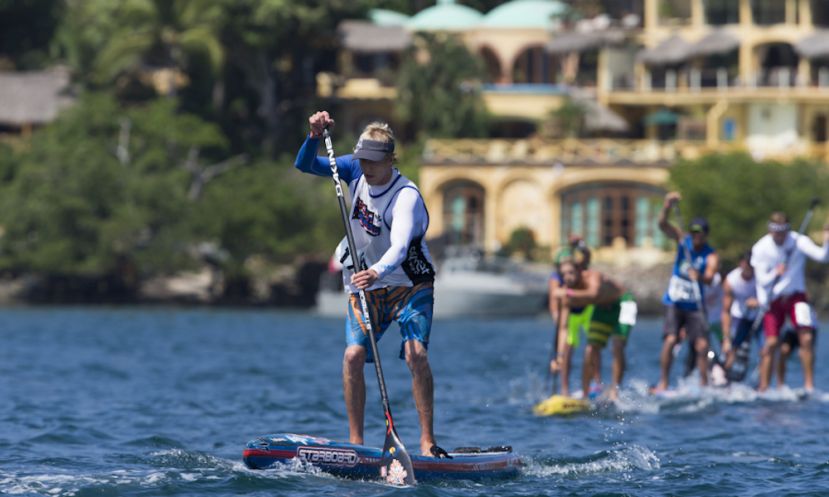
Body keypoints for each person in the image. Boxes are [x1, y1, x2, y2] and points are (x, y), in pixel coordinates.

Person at [294, 110, 448, 458]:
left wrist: (378, 271)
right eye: (362, 159)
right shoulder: (351, 168)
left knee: (416, 355)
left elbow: (400, 245)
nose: (366, 167)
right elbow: (305, 164)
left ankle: (427, 441)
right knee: (352, 356)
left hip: (410, 283)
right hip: (366, 283)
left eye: (375, 162)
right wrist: (314, 135)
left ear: (391, 160)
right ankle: (357, 444)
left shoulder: (406, 196)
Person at [750, 212, 829, 392]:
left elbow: (824, 257)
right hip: (773, 300)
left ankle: (809, 387)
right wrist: (776, 273)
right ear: (770, 230)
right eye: (776, 232)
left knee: (806, 338)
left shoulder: (798, 241)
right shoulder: (761, 248)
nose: (779, 236)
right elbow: (761, 281)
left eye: (783, 232)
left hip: (796, 297)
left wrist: (827, 240)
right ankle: (765, 387)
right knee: (771, 343)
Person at [654, 192, 720, 392]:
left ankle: (703, 384)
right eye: (692, 231)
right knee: (671, 339)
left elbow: (710, 277)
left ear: (705, 234)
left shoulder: (711, 254)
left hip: (694, 305)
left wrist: (698, 276)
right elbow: (663, 225)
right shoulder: (684, 242)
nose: (695, 235)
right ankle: (663, 382)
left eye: (699, 233)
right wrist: (666, 206)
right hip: (674, 301)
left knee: (701, 345)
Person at [551, 254, 637, 401]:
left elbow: (593, 293)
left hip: (624, 303)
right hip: (602, 309)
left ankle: (615, 392)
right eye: (563, 274)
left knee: (617, 346)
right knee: (590, 349)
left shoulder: (593, 276)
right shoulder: (567, 295)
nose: (567, 277)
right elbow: (564, 328)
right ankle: (585, 397)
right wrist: (559, 356)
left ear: (578, 270)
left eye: (571, 272)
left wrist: (567, 292)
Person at [720, 250, 759, 382]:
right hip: (740, 317)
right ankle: (724, 380)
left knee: (766, 349)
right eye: (748, 264)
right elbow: (726, 311)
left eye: (753, 265)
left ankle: (763, 386)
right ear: (741, 264)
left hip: (759, 317)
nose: (750, 268)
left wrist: (758, 302)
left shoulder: (761, 276)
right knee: (731, 350)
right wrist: (726, 339)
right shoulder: (732, 280)